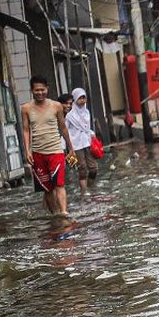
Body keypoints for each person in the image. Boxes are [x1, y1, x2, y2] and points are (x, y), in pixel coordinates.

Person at [21, 76, 77, 218]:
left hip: (56, 151)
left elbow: (63, 127)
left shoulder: (56, 106)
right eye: (36, 90)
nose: (40, 93)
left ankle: (64, 213)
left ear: (47, 89)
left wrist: (70, 147)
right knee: (47, 189)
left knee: (59, 184)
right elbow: (26, 130)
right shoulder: (26, 108)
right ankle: (55, 215)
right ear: (32, 91)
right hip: (37, 153)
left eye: (42, 89)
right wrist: (27, 150)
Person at [65, 87, 98, 195]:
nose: (83, 100)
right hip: (76, 144)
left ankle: (90, 187)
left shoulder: (87, 112)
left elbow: (88, 128)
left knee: (93, 168)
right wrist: (67, 145)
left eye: (84, 98)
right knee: (82, 168)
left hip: (88, 143)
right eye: (80, 98)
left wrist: (93, 136)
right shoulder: (70, 116)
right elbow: (65, 129)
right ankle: (84, 192)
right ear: (75, 99)